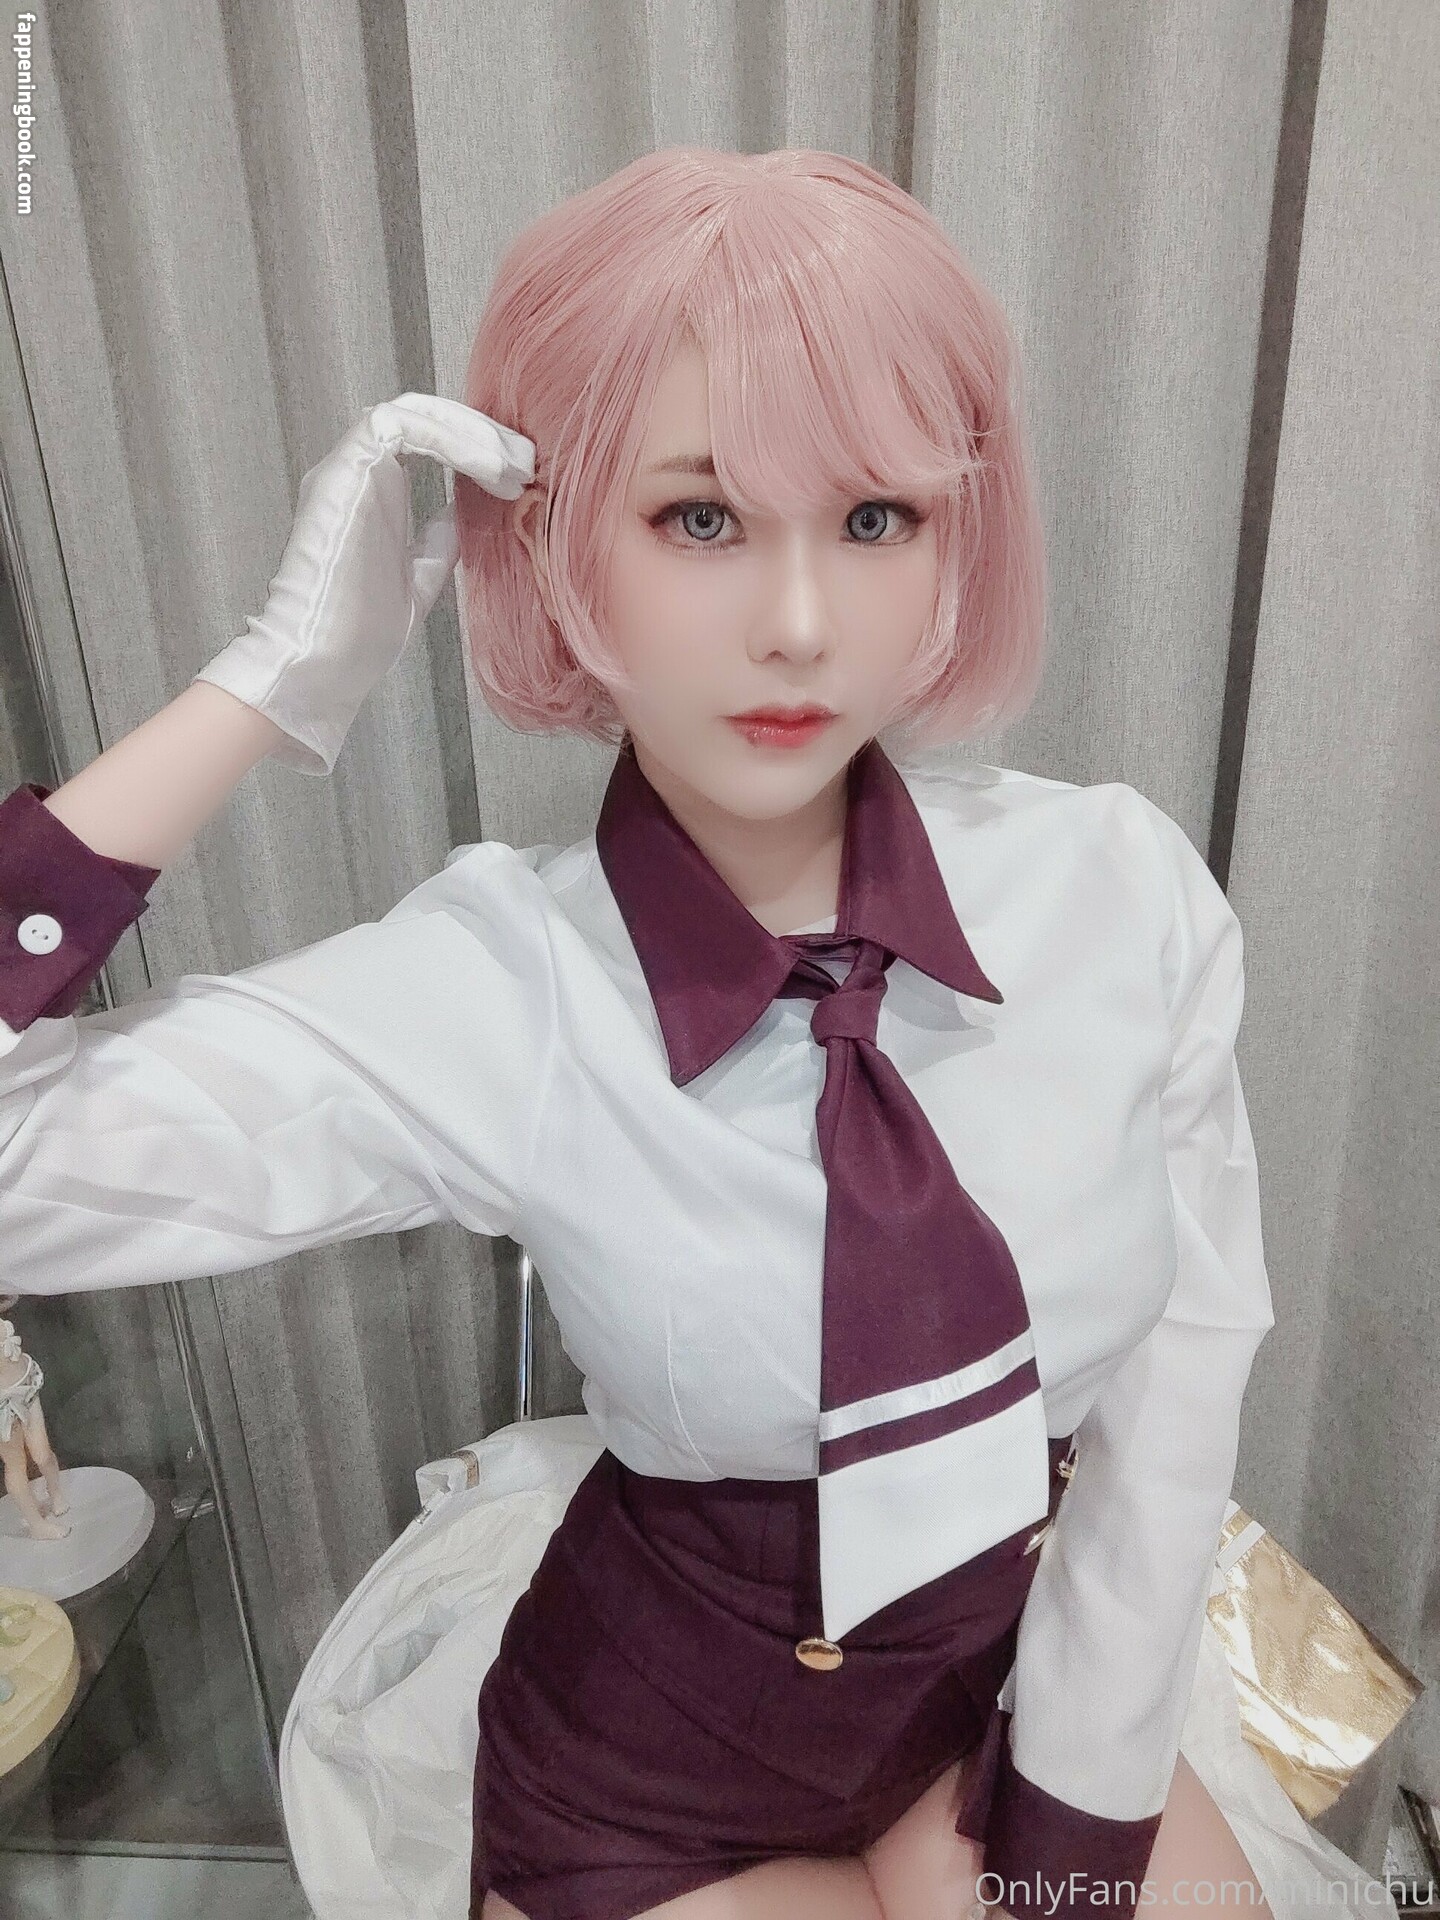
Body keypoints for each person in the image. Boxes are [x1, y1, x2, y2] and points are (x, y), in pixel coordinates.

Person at [0, 148, 1276, 1920]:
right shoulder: (500, 986)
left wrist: (1074, 1815)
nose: (799, 625)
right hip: (651, 1788)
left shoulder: (1114, 894)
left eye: (875, 520)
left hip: (993, 1708)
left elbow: (1188, 1365)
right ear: (555, 541)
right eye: (700, 520)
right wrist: (261, 692)